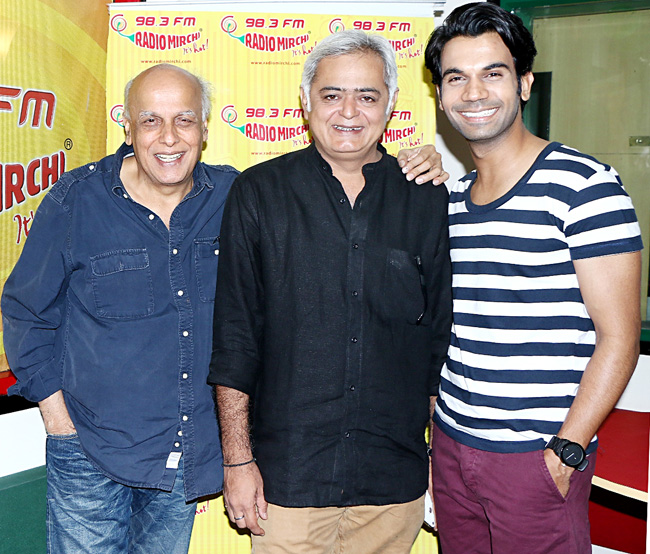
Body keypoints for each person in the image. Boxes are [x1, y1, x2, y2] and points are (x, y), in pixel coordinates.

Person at [1, 62, 444, 552]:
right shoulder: (76, 201)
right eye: (150, 120)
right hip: (91, 450)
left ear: (205, 129)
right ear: (126, 126)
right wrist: (60, 423)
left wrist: (410, 161)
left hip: (183, 453)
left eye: (185, 120)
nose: (168, 137)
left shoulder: (238, 194)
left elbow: (319, 178)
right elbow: (25, 313)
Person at [208, 29, 452, 554]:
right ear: (304, 101)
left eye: (367, 95)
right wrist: (237, 461)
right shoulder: (258, 193)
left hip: (393, 484)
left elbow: (437, 344)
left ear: (389, 105)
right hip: (289, 483)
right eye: (332, 94)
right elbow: (234, 342)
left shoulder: (427, 199)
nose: (349, 111)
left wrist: (442, 465)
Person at [423, 4, 643, 554]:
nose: (474, 92)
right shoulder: (447, 200)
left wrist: (565, 451)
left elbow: (619, 338)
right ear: (442, 94)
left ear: (524, 83)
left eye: (492, 72)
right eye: (457, 77)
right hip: (452, 447)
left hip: (536, 459)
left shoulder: (586, 186)